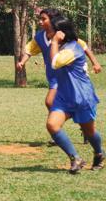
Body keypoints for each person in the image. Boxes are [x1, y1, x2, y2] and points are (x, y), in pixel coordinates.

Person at [17, 8, 101, 144]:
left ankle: (58, 130)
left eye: (43, 19)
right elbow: (29, 50)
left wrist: (95, 63)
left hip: (66, 76)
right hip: (54, 77)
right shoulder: (40, 37)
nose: (40, 22)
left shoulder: (63, 35)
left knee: (50, 101)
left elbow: (84, 47)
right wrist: (22, 62)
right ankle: (79, 129)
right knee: (59, 103)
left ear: (53, 20)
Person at [46, 16, 103, 174]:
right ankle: (75, 158)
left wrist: (55, 42)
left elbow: (55, 63)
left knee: (89, 132)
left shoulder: (72, 49)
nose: (47, 31)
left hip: (81, 97)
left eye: (50, 29)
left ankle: (99, 153)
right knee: (52, 125)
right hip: (64, 96)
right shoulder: (64, 46)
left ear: (61, 33)